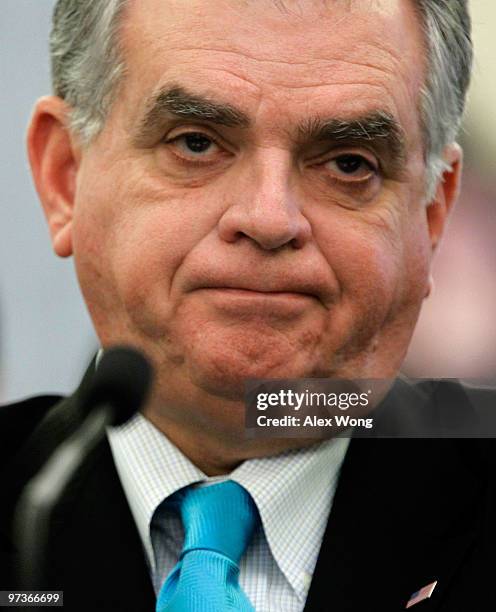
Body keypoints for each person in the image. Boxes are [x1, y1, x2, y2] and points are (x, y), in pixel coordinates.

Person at [1, 0, 494, 610]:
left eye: (348, 164)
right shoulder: (30, 508)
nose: (268, 218)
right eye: (197, 144)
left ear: (432, 213)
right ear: (65, 178)